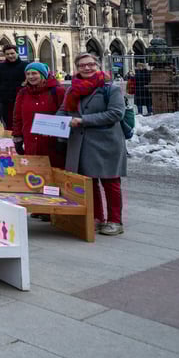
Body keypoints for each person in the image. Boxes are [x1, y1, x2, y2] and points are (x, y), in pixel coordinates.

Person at [59, 53, 128, 235]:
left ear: (97, 66)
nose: (87, 68)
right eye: (82, 66)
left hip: (106, 142)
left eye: (90, 65)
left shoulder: (109, 88)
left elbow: (115, 114)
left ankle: (115, 220)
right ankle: (97, 217)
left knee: (110, 181)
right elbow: (63, 111)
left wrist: (83, 120)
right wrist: (52, 123)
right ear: (77, 68)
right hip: (81, 143)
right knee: (90, 182)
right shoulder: (71, 90)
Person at [12, 61, 67, 169]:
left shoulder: (57, 91)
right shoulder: (23, 93)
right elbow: (17, 116)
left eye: (34, 73)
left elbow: (64, 114)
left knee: (54, 173)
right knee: (34, 174)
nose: (31, 77)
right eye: (28, 74)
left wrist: (62, 140)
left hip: (52, 142)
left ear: (42, 74)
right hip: (30, 141)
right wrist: (17, 137)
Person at [0, 45, 27, 130]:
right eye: (7, 54)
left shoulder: (25, 65)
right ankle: (10, 143)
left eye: (12, 53)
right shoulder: (0, 67)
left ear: (17, 53)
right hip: (6, 103)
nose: (10, 56)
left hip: (21, 101)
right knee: (8, 127)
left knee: (22, 125)